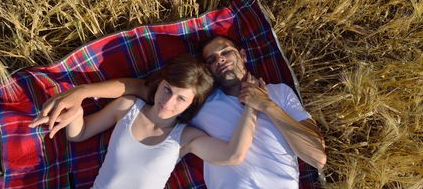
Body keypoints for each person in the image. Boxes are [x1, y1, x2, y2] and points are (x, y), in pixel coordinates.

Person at [31, 36, 326, 188]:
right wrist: (81, 92)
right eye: (211, 59)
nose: (220, 60)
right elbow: (137, 87)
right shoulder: (200, 100)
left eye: (226, 52)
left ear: (243, 55)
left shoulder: (280, 93)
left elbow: (317, 157)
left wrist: (265, 105)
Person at [30, 55, 258, 189]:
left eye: (181, 98)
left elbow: (232, 155)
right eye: (167, 89)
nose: (168, 102)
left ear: (192, 104)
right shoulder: (128, 106)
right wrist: (76, 113)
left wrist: (253, 107)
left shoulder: (186, 138)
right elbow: (78, 134)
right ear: (159, 84)